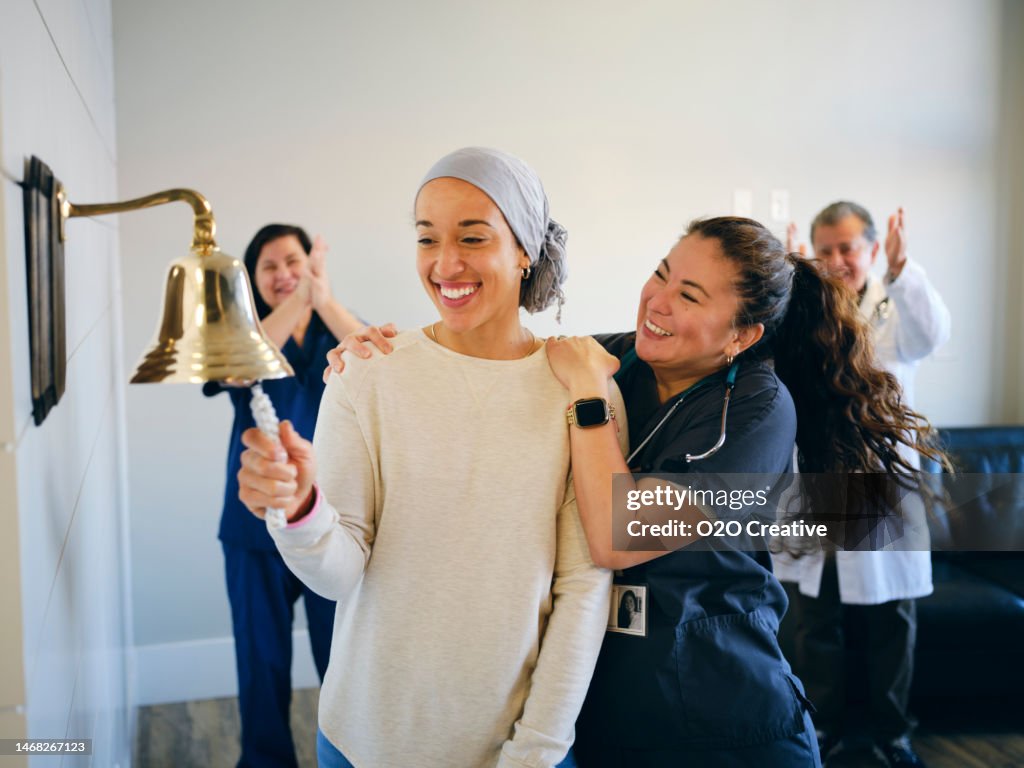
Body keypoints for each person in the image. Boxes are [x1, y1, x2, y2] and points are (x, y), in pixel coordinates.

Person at [332, 216, 946, 767]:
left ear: (742, 336)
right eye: (661, 273)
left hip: (721, 717)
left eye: (690, 295)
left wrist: (589, 400)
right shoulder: (621, 359)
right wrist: (374, 354)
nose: (658, 300)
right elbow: (495, 361)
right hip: (610, 714)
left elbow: (618, 535)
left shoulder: (758, 410)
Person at [236, 148, 619, 768]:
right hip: (359, 739)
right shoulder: (368, 371)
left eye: (473, 237)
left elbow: (582, 585)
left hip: (514, 751)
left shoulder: (579, 387)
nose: (445, 264)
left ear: (524, 250)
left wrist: (536, 752)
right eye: (426, 239)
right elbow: (337, 573)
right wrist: (299, 508)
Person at [777, 202, 951, 767]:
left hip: (881, 490)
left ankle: (891, 732)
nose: (836, 260)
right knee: (813, 617)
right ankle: (818, 729)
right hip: (816, 483)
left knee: (890, 621)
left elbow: (932, 334)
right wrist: (786, 280)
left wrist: (903, 272)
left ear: (872, 249)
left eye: (847, 248)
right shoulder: (807, 311)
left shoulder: (893, 307)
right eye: (823, 250)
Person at [203, 223, 363, 768]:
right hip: (252, 527)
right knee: (260, 662)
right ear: (252, 280)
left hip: (328, 525)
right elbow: (235, 367)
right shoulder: (241, 333)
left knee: (339, 661)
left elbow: (381, 362)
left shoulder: (334, 329)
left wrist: (323, 299)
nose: (283, 274)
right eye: (268, 266)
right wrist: (299, 299)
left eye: (293, 262)